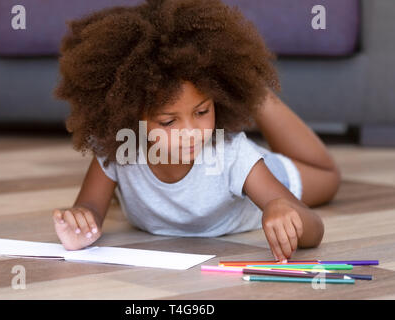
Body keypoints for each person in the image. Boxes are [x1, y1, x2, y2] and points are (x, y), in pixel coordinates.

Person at [52, 0, 341, 261]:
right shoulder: (117, 149)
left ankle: (253, 91)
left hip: (273, 172)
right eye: (168, 122)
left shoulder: (233, 154)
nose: (190, 132)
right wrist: (82, 220)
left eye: (202, 111)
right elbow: (89, 207)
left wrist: (279, 207)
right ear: (129, 117)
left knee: (329, 178)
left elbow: (314, 229)